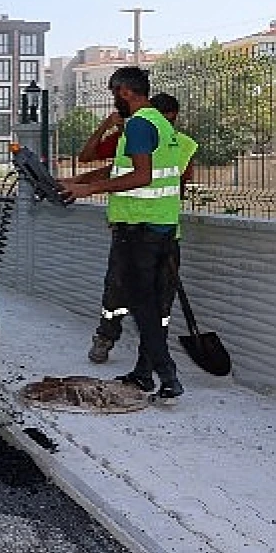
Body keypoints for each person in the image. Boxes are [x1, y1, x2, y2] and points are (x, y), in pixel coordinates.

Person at [60, 68, 184, 403]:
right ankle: (145, 375)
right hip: (161, 228)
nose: (114, 100)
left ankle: (168, 376)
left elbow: (141, 177)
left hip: (140, 230)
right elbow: (124, 170)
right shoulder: (161, 125)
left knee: (142, 306)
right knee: (151, 305)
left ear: (125, 91)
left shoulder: (141, 124)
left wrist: (91, 189)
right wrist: (77, 184)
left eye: (115, 93)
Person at [84, 93, 197, 364]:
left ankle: (148, 357)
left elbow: (174, 185)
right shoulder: (133, 136)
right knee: (122, 290)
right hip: (138, 231)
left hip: (156, 232)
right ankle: (112, 340)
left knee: (149, 295)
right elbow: (97, 162)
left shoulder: (180, 144)